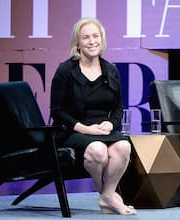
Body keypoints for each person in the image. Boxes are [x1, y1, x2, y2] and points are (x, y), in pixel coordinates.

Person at [50, 18, 136, 215]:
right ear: (77, 43)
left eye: (95, 36)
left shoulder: (110, 70)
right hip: (72, 130)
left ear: (102, 39)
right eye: (86, 37)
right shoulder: (65, 71)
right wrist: (84, 128)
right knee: (98, 150)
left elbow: (118, 108)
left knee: (123, 146)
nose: (92, 41)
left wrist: (111, 123)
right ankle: (106, 194)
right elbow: (57, 111)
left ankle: (107, 195)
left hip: (102, 129)